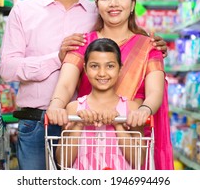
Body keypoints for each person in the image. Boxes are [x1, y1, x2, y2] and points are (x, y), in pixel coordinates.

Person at [0, 0, 167, 170]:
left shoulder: (97, 14)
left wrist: (153, 45)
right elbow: (7, 70)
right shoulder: (24, 11)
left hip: (105, 126)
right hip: (42, 121)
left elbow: (137, 62)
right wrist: (56, 63)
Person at [47, 0, 173, 170]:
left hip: (132, 131)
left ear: (132, 4)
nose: (113, 3)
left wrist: (143, 111)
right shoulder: (82, 42)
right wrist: (56, 106)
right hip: (89, 129)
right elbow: (65, 83)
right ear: (97, 5)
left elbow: (155, 92)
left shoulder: (148, 46)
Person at [55, 38, 147, 170]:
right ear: (85, 69)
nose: (102, 73)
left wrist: (118, 126)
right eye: (94, 66)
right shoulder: (74, 108)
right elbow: (63, 162)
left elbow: (138, 160)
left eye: (110, 66)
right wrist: (78, 125)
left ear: (120, 68)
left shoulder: (131, 108)